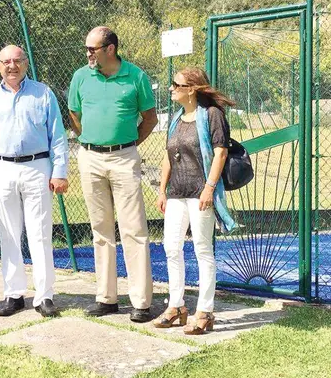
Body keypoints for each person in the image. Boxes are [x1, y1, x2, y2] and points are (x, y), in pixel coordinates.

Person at [67, 26, 159, 323]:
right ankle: (106, 298)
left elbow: (149, 119)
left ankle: (141, 302)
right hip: (89, 158)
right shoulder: (81, 76)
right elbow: (74, 115)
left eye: (92, 48)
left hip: (125, 158)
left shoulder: (136, 76)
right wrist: (92, 141)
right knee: (100, 229)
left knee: (134, 229)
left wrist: (126, 144)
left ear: (110, 49)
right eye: (86, 49)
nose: (87, 54)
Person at [0, 45, 69, 318]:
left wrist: (59, 171)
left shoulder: (43, 93)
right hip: (2, 167)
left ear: (25, 63)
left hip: (38, 167)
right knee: (8, 233)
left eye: (17, 61)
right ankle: (14, 294)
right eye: (6, 62)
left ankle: (44, 295)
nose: (11, 66)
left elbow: (57, 136)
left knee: (40, 232)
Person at [153, 67, 237, 335]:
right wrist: (162, 189)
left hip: (201, 192)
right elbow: (167, 156)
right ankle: (176, 307)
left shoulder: (212, 115)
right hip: (177, 192)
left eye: (176, 85)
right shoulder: (177, 118)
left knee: (202, 250)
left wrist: (209, 188)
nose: (171, 89)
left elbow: (220, 153)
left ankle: (205, 311)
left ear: (192, 89)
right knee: (171, 247)